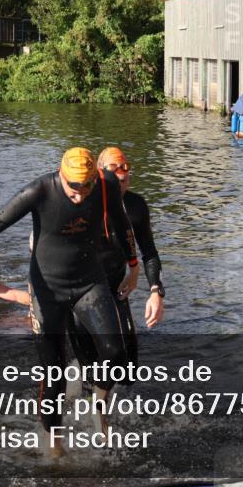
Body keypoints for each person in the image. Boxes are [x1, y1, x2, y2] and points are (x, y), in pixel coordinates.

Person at [0, 147, 139, 449]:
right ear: (62, 176)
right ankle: (55, 446)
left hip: (89, 282)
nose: (80, 195)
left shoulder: (107, 184)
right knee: (54, 374)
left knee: (115, 353)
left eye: (87, 187)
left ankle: (98, 404)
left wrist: (134, 267)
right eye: (74, 188)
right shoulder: (40, 190)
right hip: (48, 291)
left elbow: (122, 225)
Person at [70, 147, 165, 377]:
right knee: (90, 369)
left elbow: (149, 252)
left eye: (126, 173)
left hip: (116, 287)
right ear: (100, 176)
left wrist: (156, 292)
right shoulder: (82, 204)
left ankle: (113, 406)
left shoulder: (136, 206)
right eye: (115, 174)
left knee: (128, 369)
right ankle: (87, 400)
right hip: (81, 291)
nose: (122, 179)